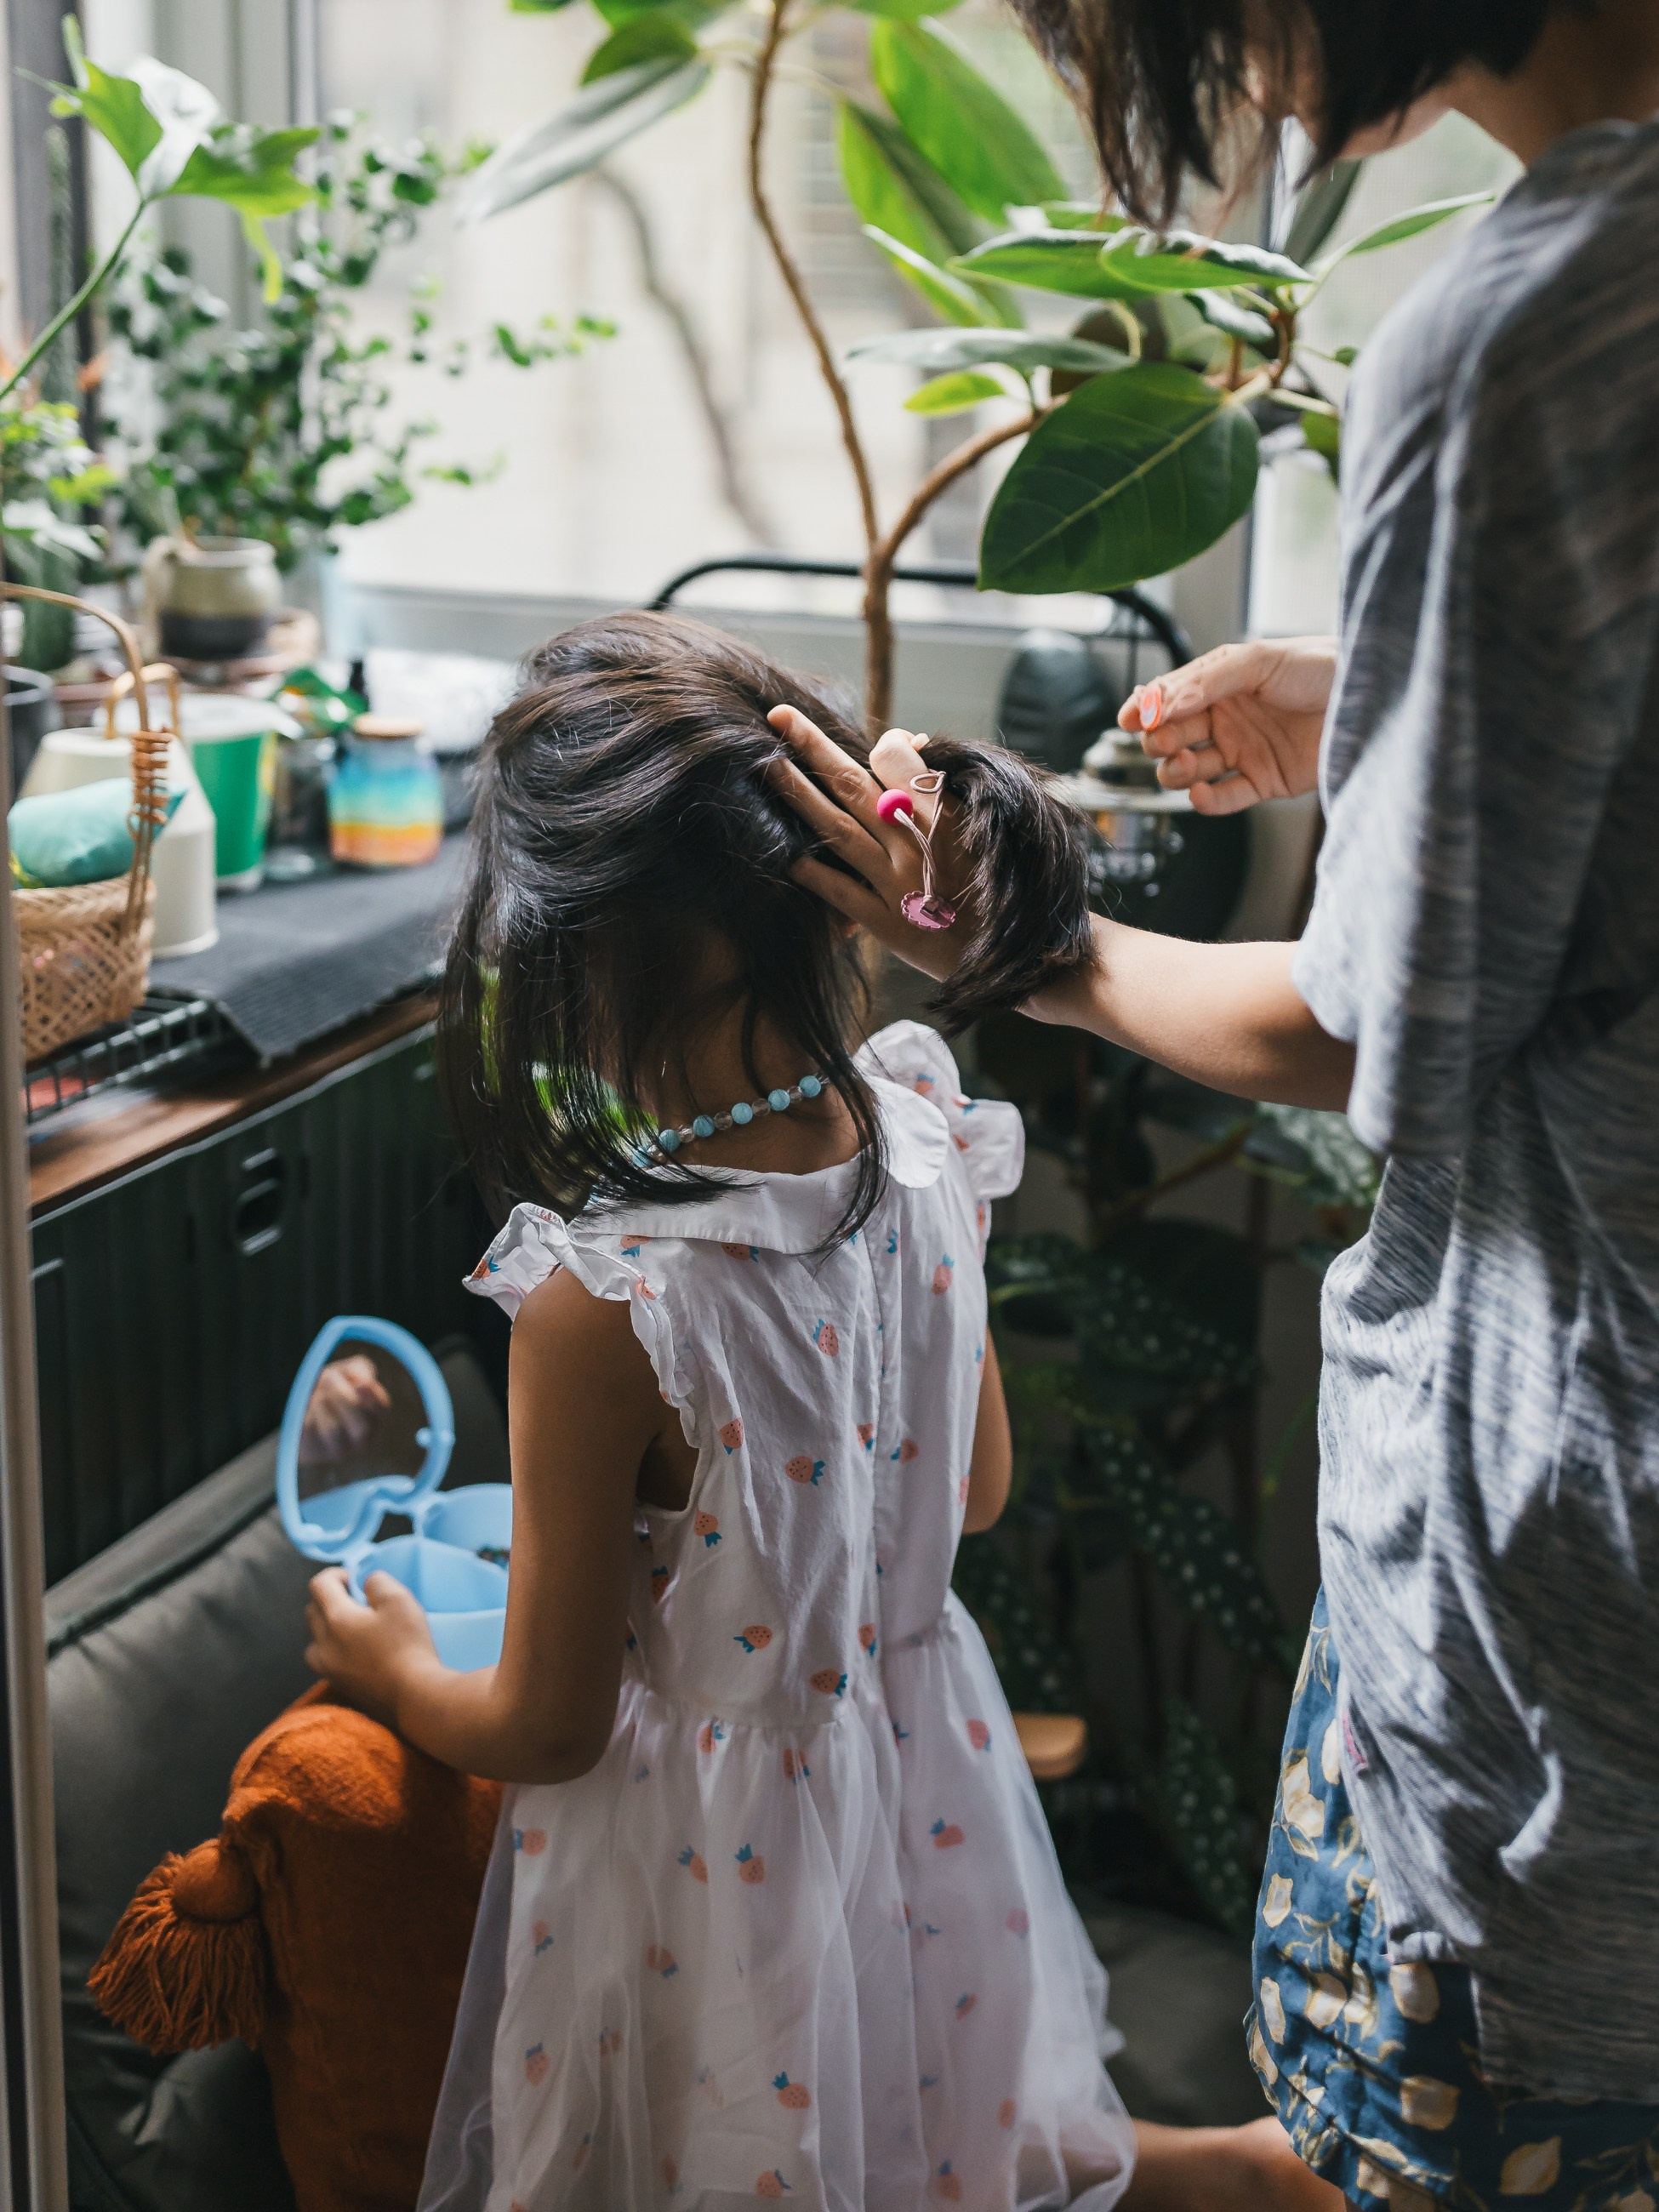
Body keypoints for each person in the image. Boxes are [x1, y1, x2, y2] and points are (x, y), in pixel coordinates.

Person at [770, 2, 1659, 2203]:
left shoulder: (1538, 317)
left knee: (1469, 2125)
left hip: (1577, 1534)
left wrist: (1026, 948)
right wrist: (1384, 695)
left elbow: (1362, 1032)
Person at [305, 611, 1142, 2212]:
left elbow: (545, 1727)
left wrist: (393, 1665)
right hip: (921, 1793)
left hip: (707, 1879)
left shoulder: (607, 1295)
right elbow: (967, 1493)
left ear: (561, 953)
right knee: (914, 2152)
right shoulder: (920, 1132)